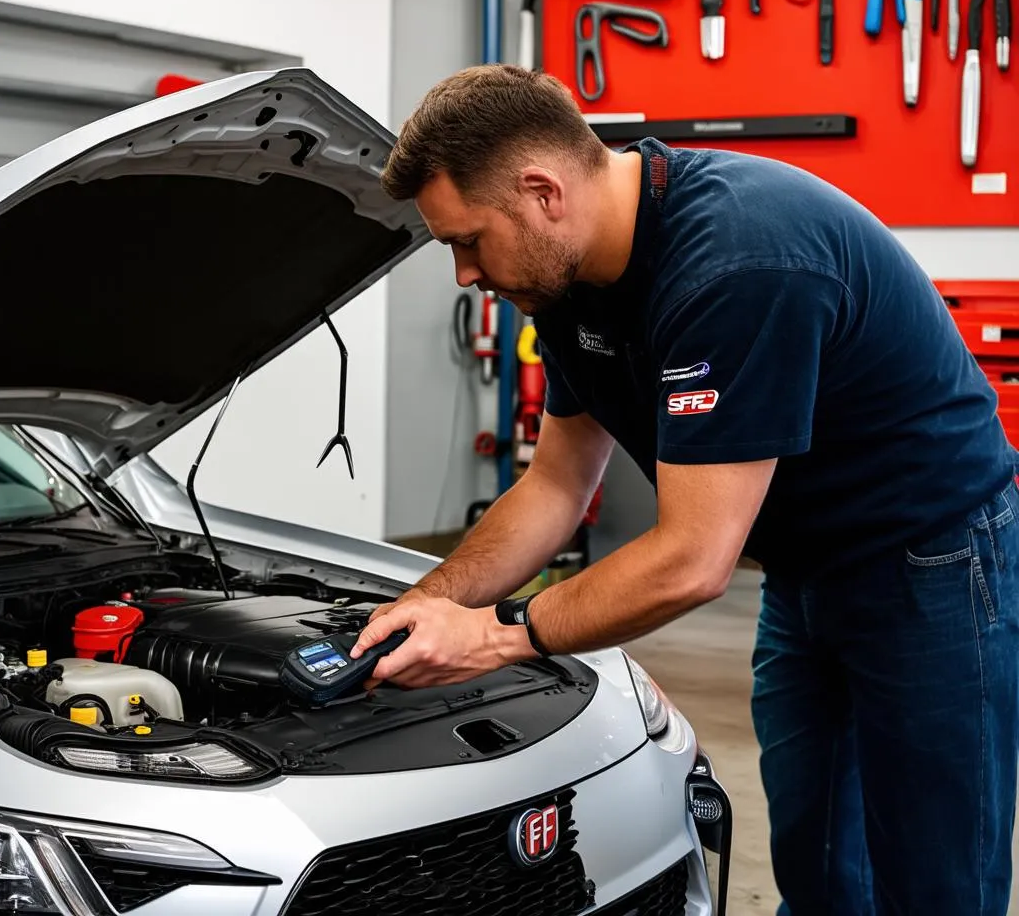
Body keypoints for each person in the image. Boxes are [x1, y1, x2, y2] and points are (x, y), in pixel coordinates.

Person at [350, 63, 1019, 915]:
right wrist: (424, 607)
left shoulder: (737, 262)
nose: (464, 276)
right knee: (816, 864)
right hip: (806, 568)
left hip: (935, 563)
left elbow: (694, 560)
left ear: (541, 191)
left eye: (467, 241)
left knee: (935, 881)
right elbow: (555, 486)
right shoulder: (565, 280)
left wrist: (494, 637)